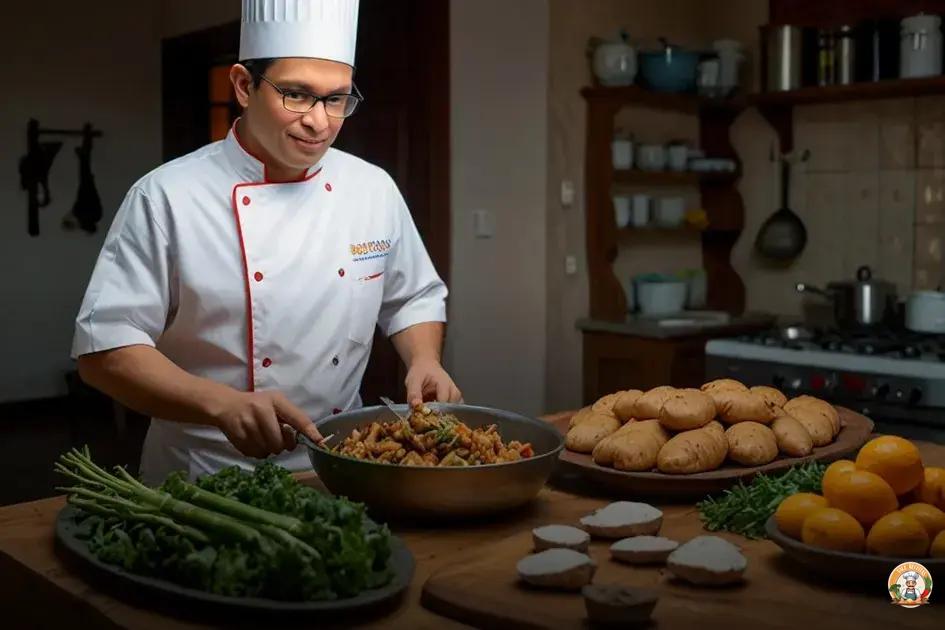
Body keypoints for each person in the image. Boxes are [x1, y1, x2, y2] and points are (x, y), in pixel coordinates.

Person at [71, 0, 461, 485]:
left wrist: (424, 358)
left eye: (337, 99)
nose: (319, 122)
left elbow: (413, 296)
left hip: (344, 465)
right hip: (206, 478)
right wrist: (220, 404)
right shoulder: (167, 196)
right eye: (297, 95)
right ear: (242, 86)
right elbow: (104, 349)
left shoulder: (372, 188)